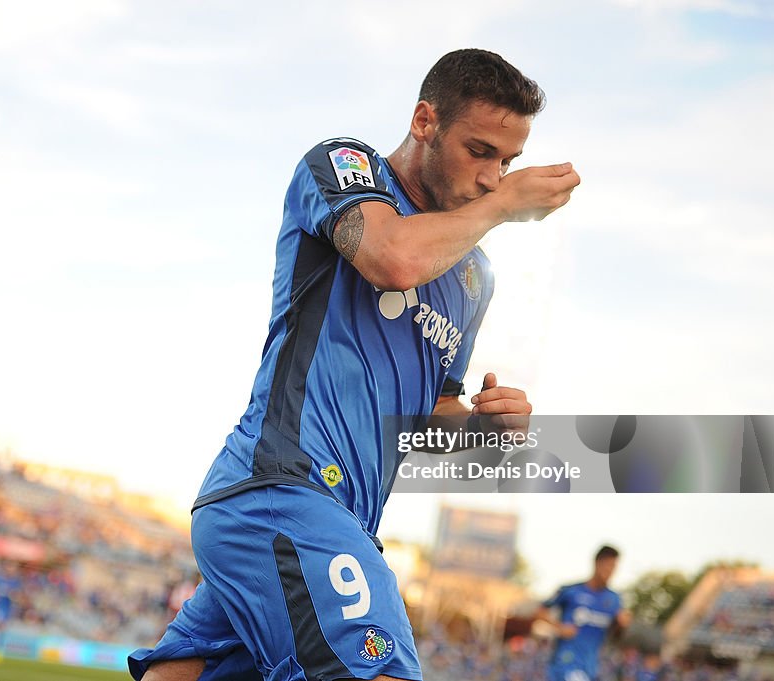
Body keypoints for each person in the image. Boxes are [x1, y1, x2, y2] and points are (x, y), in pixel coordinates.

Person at [129, 48, 581, 681]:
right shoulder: (346, 167)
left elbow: (426, 418)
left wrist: (487, 430)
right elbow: (391, 256)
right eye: (479, 151)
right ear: (426, 121)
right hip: (284, 487)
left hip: (334, 520)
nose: (492, 177)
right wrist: (503, 207)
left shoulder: (474, 275)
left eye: (507, 162)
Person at [534, 545, 633, 681]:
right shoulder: (571, 591)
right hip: (566, 662)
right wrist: (559, 627)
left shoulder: (614, 600)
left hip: (590, 666)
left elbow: (614, 637)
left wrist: (621, 625)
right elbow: (540, 611)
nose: (610, 571)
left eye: (614, 567)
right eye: (608, 565)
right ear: (597, 563)